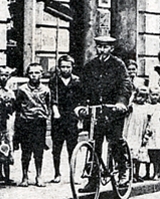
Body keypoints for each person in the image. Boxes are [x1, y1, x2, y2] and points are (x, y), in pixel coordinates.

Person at [77, 35, 133, 190]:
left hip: (114, 111)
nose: (102, 50)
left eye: (105, 47)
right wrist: (81, 106)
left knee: (115, 141)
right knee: (94, 144)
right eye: (100, 47)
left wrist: (121, 102)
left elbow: (125, 84)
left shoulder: (118, 65)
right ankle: (93, 180)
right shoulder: (90, 66)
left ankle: (123, 171)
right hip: (96, 112)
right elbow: (83, 88)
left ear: (111, 49)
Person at [14, 62, 51, 187]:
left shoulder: (45, 90)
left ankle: (39, 176)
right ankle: (24, 176)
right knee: (26, 151)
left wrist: (45, 116)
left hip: (39, 123)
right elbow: (18, 106)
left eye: (37, 73)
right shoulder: (22, 89)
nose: (34, 75)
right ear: (27, 74)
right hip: (26, 123)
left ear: (41, 74)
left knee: (39, 151)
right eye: (31, 73)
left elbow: (48, 106)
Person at [48, 54, 82, 183]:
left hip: (72, 117)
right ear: (59, 67)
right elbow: (52, 99)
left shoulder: (77, 81)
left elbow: (80, 100)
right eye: (62, 67)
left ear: (72, 67)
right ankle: (57, 173)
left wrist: (79, 119)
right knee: (57, 148)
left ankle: (73, 174)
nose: (65, 69)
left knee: (72, 147)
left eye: (68, 67)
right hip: (58, 117)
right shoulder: (54, 81)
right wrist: (55, 112)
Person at [123, 86, 153, 182]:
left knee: (139, 155)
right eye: (139, 96)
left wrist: (147, 133)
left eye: (144, 97)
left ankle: (137, 174)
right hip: (131, 132)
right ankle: (130, 175)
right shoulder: (132, 106)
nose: (141, 99)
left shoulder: (147, 107)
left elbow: (149, 121)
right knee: (131, 154)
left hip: (141, 133)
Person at [143, 87, 160, 180]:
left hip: (157, 129)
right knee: (148, 152)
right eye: (153, 95)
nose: (155, 97)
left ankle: (156, 172)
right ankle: (147, 172)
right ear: (149, 95)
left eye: (157, 95)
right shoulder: (146, 106)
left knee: (156, 152)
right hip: (148, 128)